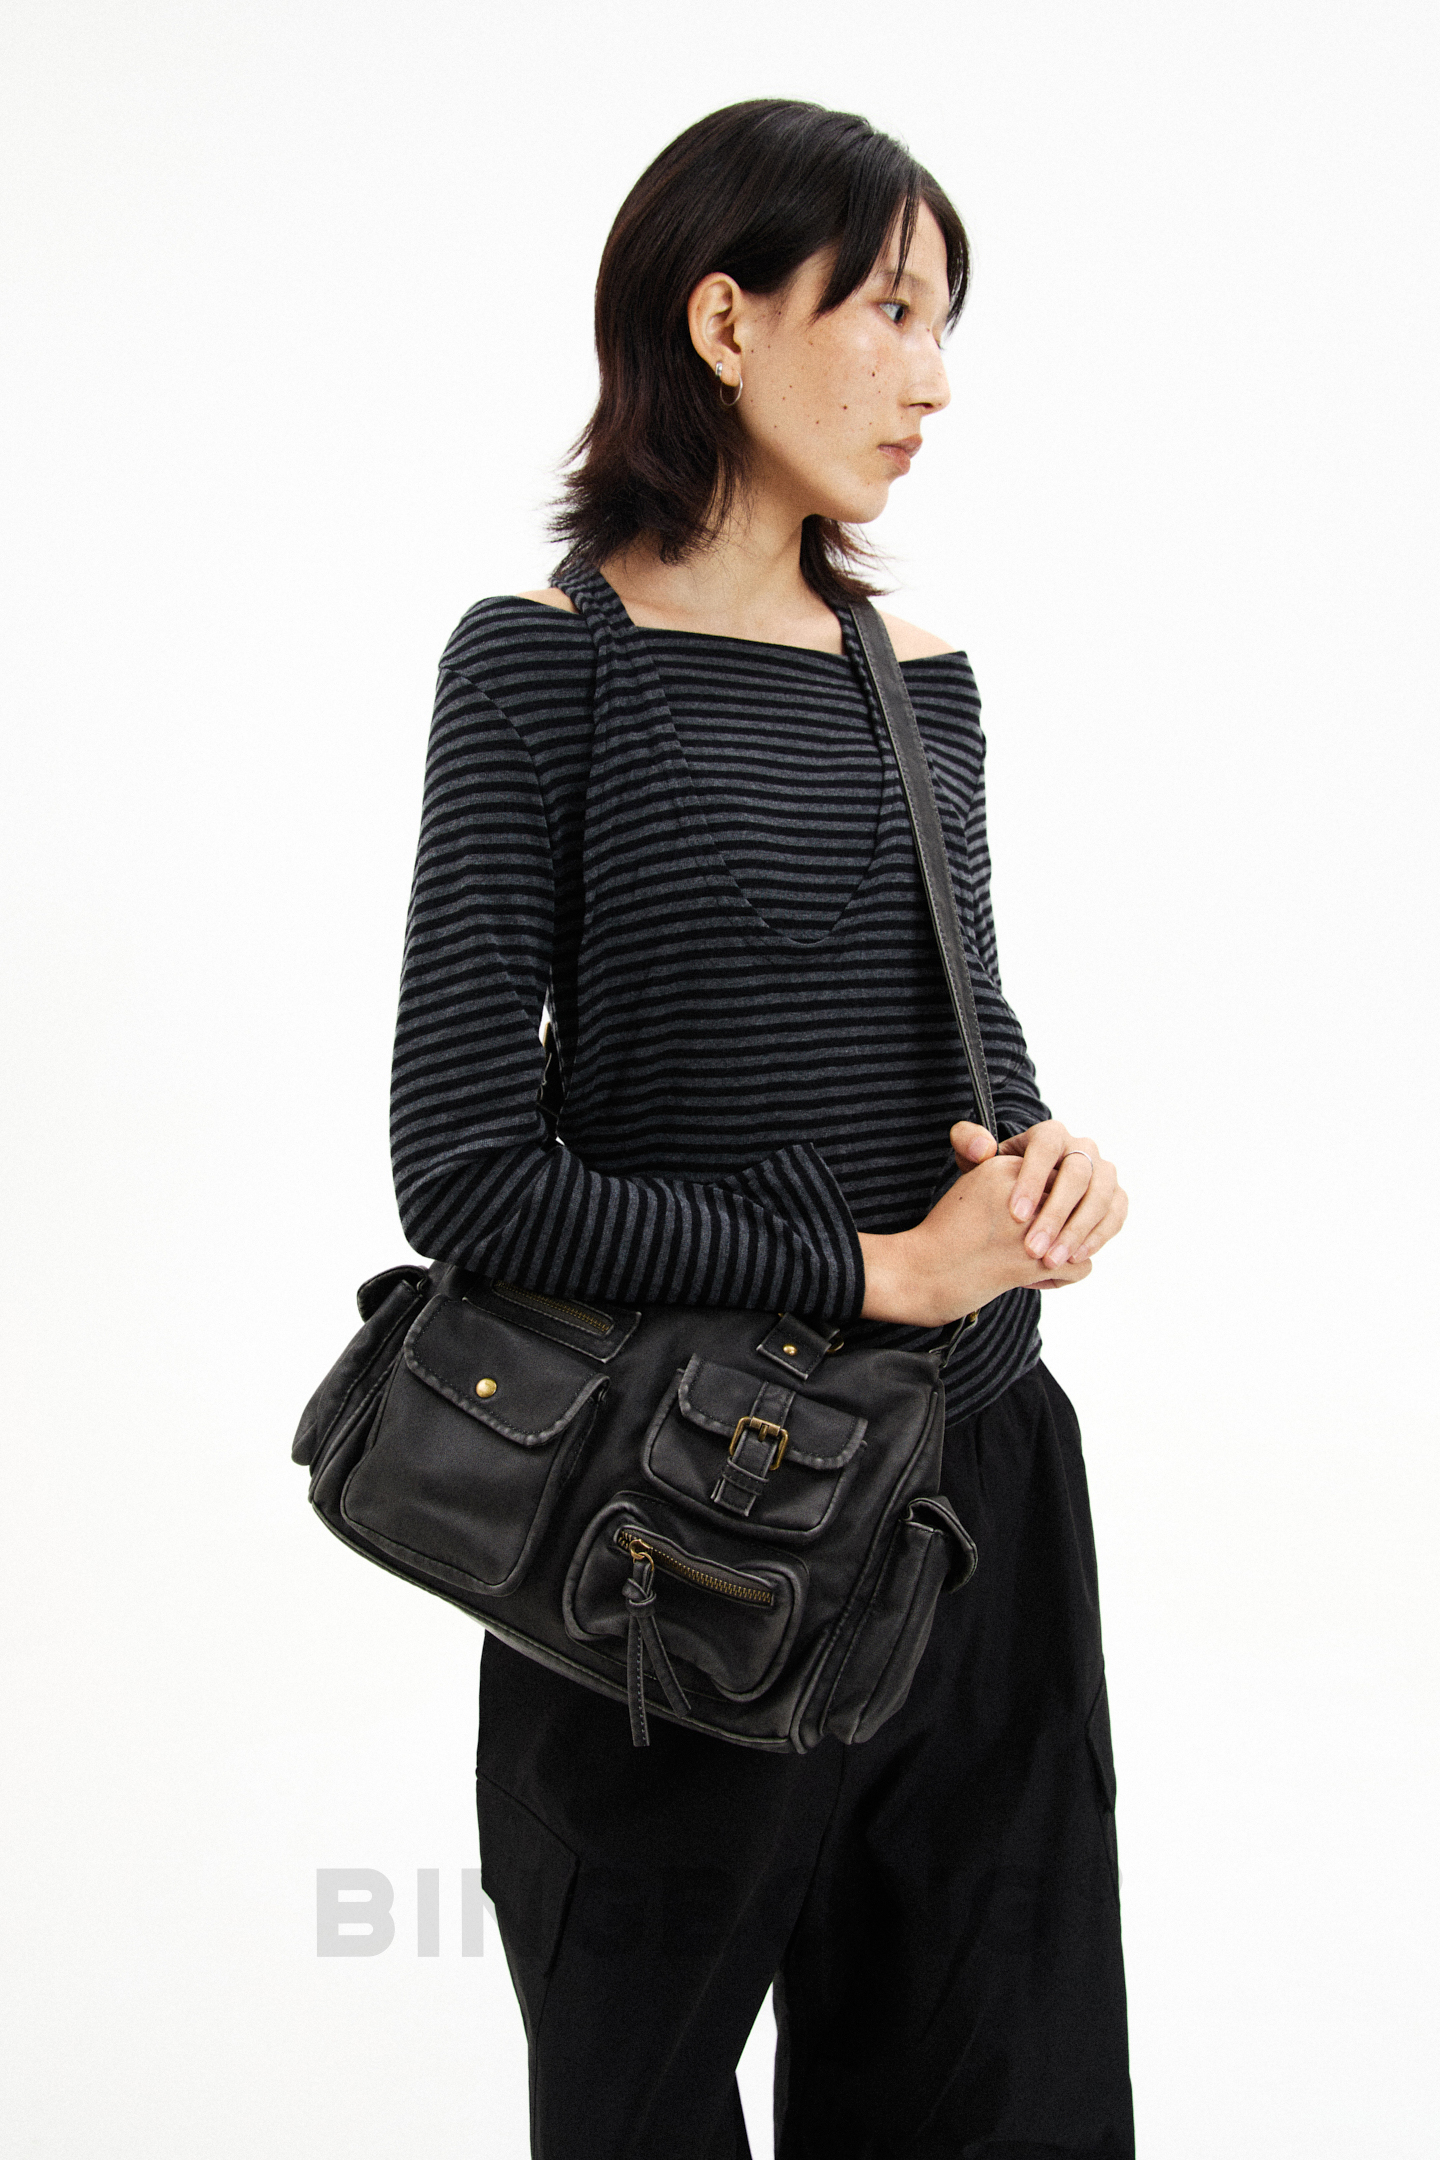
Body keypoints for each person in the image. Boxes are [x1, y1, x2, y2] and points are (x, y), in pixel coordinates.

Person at [389, 99, 1133, 2160]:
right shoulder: (543, 670)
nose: (932, 377)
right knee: (639, 2111)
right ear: (722, 320)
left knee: (1000, 2107)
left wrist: (1043, 1163)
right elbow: (464, 1170)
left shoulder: (923, 678)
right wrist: (870, 1270)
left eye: (945, 321)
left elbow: (965, 1033)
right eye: (886, 310)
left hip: (975, 1487)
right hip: (669, 1528)